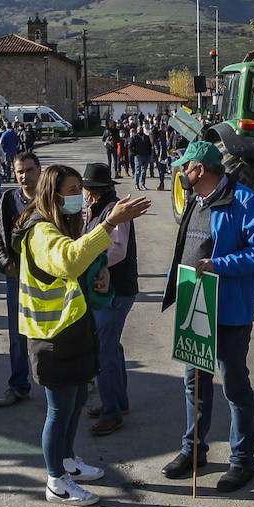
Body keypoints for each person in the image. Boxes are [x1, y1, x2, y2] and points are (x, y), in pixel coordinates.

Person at [12, 164, 151, 505]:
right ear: (52, 193)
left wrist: (100, 273)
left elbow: (80, 266)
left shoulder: (61, 224)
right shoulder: (40, 230)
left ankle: (68, 462)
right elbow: (68, 262)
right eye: (72, 190)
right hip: (51, 335)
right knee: (59, 410)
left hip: (72, 327)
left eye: (79, 189)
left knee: (74, 402)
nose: (78, 196)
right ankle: (55, 480)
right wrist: (108, 223)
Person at [160, 140, 254, 492]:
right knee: (193, 381)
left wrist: (220, 266)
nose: (182, 172)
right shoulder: (196, 201)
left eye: (187, 167)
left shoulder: (244, 202)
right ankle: (192, 450)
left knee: (233, 384)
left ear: (201, 169)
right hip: (193, 303)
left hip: (229, 309)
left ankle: (242, 461)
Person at [80, 162, 140, 436]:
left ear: (91, 191)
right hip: (110, 290)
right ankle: (116, 401)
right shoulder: (100, 209)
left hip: (115, 291)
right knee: (111, 347)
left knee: (104, 350)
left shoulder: (114, 211)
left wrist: (86, 257)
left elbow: (117, 250)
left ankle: (112, 412)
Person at [0, 151, 40, 408]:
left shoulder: (51, 199)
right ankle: (19, 385)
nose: (24, 176)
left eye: (29, 170)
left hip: (48, 278)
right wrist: (4, 262)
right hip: (16, 277)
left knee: (57, 331)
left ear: (39, 171)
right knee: (17, 333)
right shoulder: (8, 199)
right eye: (20, 171)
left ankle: (70, 382)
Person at [128, 124, 153, 191]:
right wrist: (135, 154)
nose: (140, 131)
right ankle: (137, 184)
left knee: (144, 171)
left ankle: (143, 184)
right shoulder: (134, 137)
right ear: (137, 130)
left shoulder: (146, 137)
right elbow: (130, 147)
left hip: (146, 156)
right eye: (139, 130)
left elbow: (150, 146)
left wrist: (149, 155)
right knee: (138, 171)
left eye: (141, 129)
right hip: (138, 156)